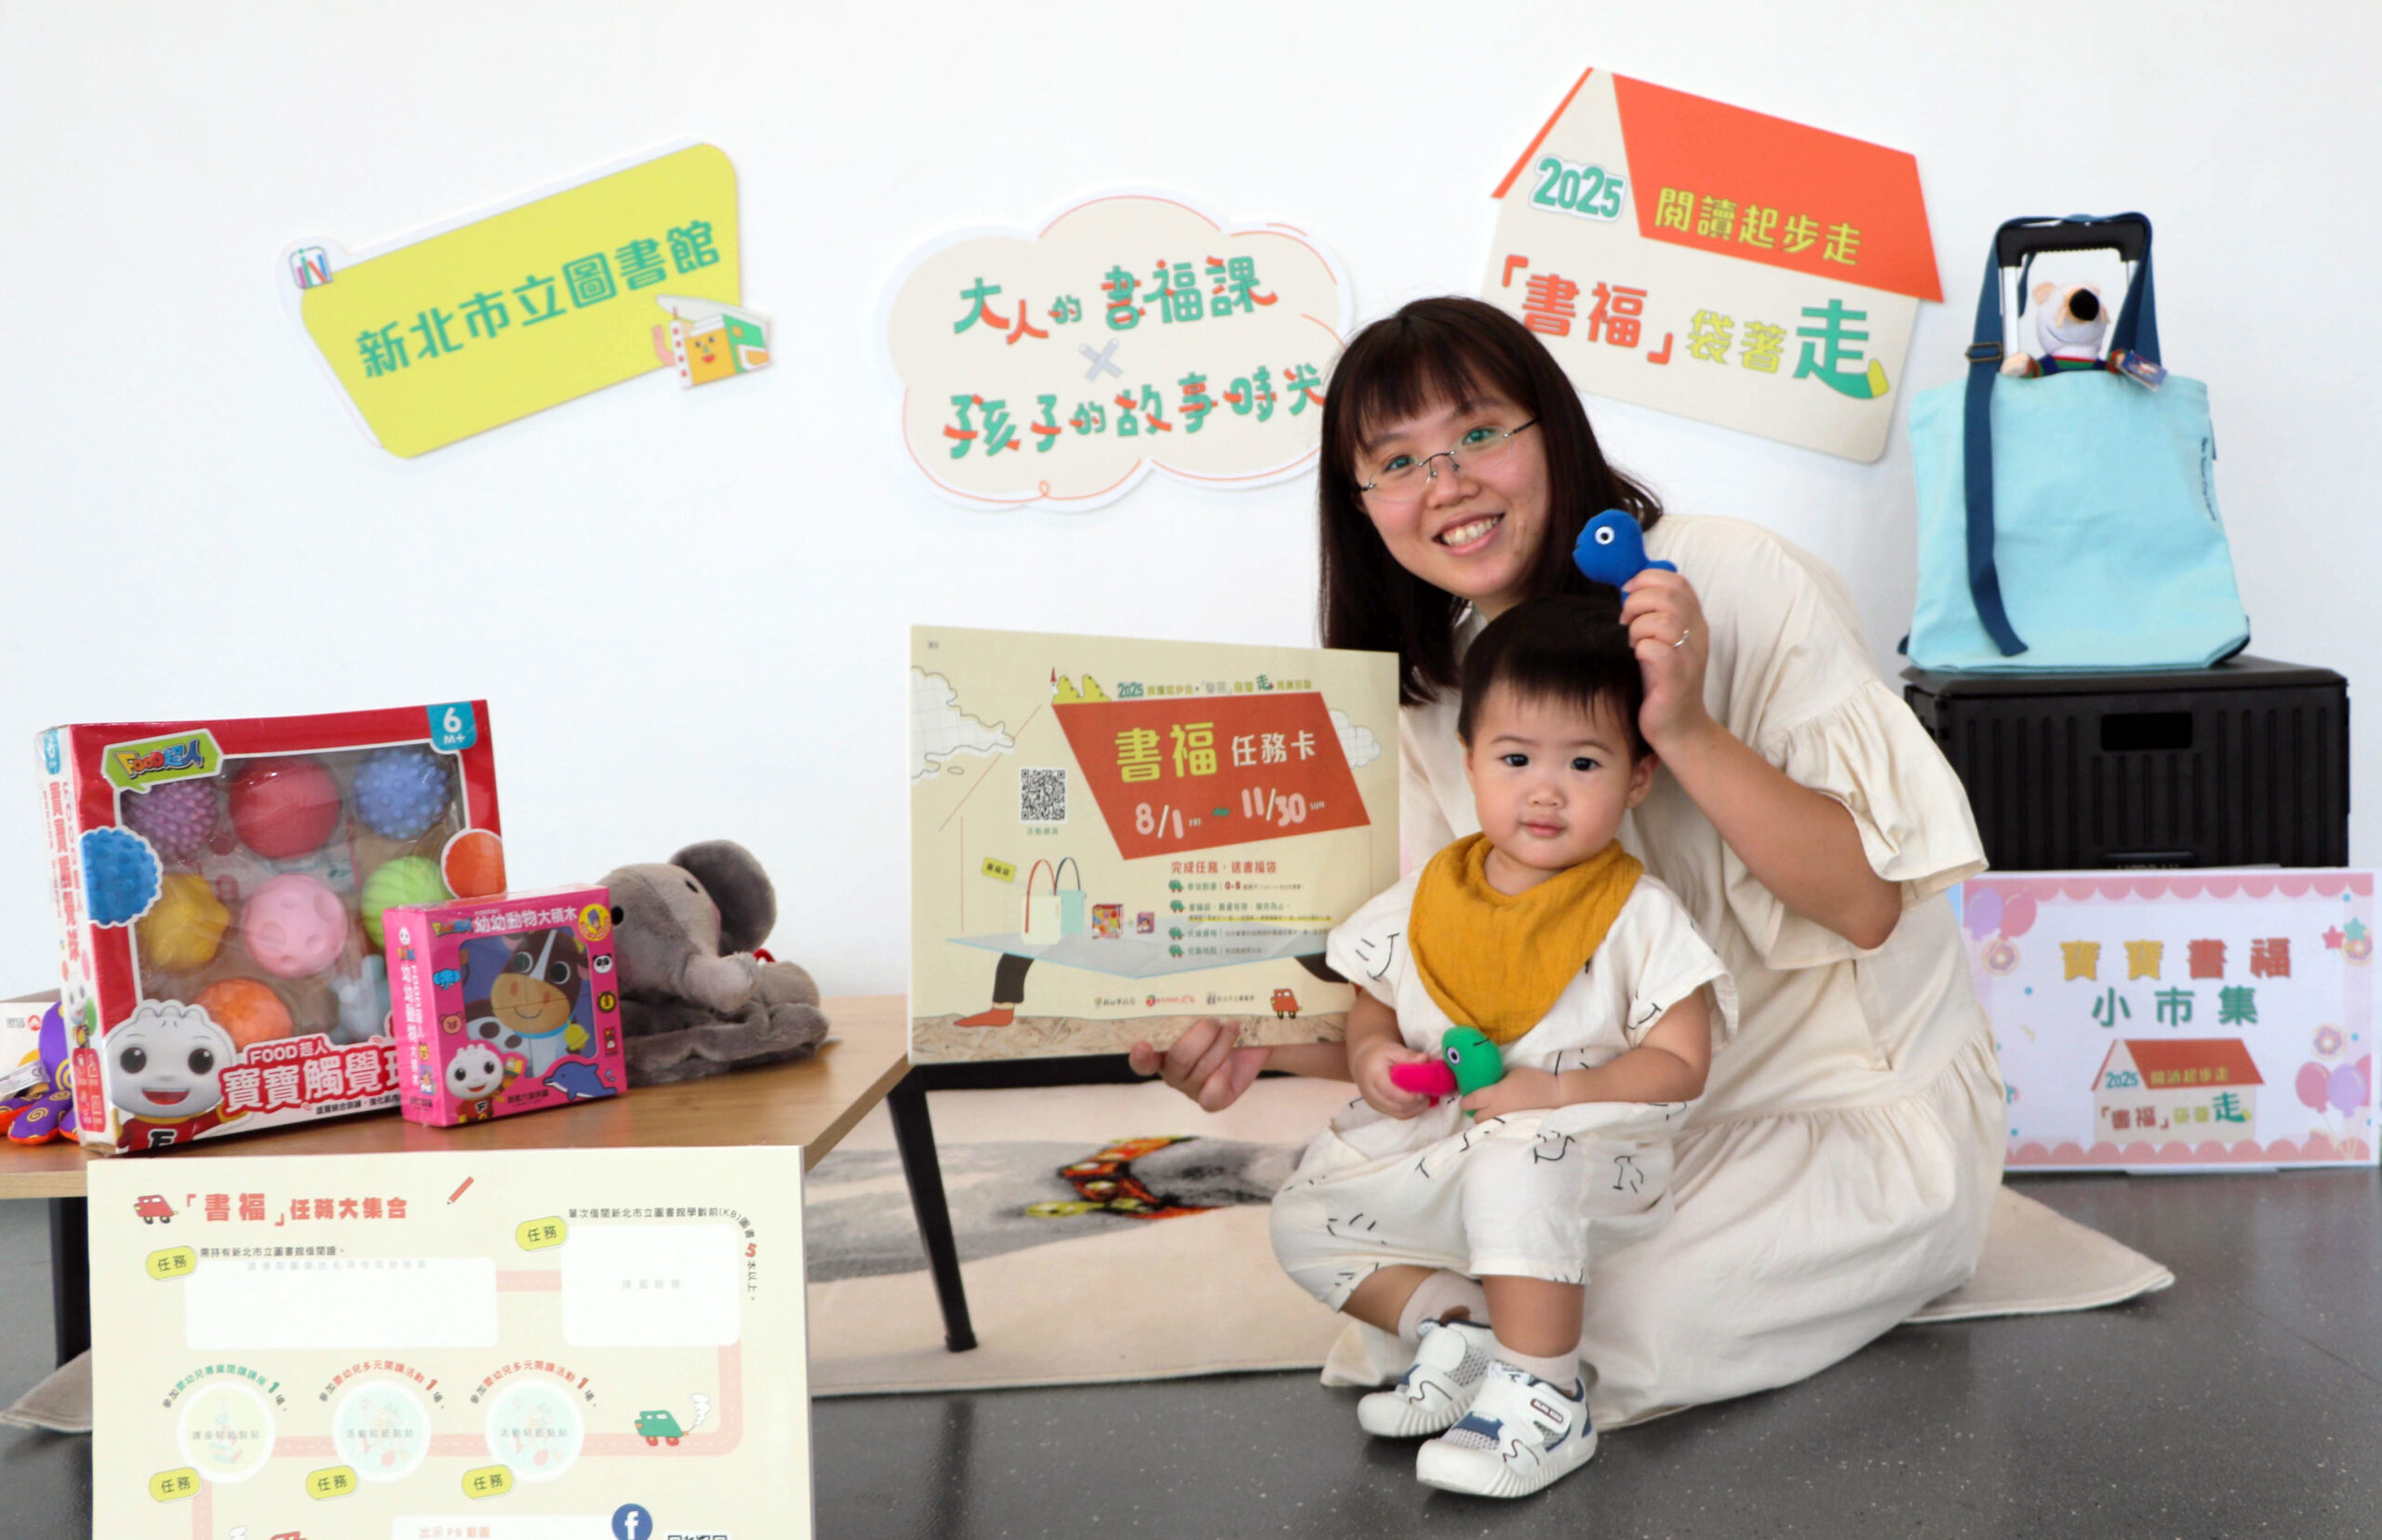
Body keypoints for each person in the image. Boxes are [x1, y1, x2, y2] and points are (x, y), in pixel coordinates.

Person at [1131, 295, 2003, 1430]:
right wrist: (1252, 1045)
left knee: (1585, 1331)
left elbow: (1866, 905)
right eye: (1395, 462)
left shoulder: (1732, 577)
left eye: (1478, 432)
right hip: (1586, 1123)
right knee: (1387, 1276)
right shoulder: (1433, 692)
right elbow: (1435, 999)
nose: (1445, 483)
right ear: (1360, 506)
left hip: (1826, 1113)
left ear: (1553, 427)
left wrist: (1682, 724)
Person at [1269, 594, 1734, 1498]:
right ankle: (1461, 1333)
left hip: (1576, 1157)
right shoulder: (1423, 898)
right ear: (1470, 759)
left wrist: (1554, 1093)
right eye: (1516, 758)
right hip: (1440, 1147)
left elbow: (1682, 1062)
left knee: (1521, 1154)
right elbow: (1370, 1008)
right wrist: (1372, 1058)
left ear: (1638, 777)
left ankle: (1546, 1395)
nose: (1545, 790)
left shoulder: (1637, 914)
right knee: (1301, 1214)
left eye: (1584, 762)